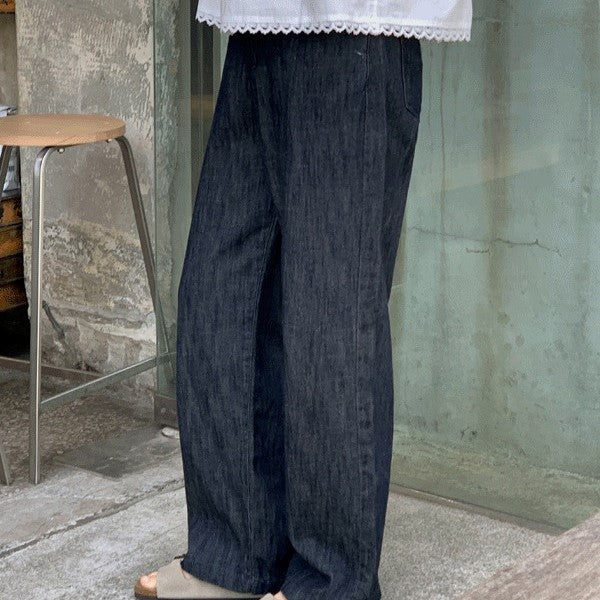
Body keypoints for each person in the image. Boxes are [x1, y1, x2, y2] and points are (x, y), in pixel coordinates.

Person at [135, 1, 472, 599]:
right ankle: (234, 555)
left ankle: (330, 582)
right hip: (259, 25)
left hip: (354, 27)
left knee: (330, 315)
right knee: (221, 291)